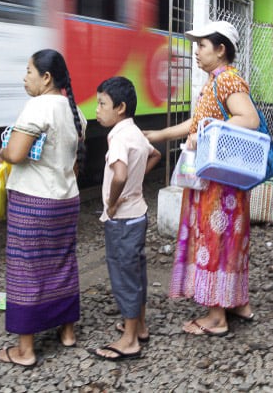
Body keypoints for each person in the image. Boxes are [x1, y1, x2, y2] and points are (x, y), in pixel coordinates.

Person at [144, 21, 260, 336]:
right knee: (228, 242)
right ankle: (237, 303)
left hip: (219, 185)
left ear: (221, 49)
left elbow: (248, 119)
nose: (196, 52)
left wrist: (208, 130)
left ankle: (216, 318)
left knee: (215, 240)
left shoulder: (227, 80)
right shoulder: (215, 81)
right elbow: (195, 124)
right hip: (219, 181)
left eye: (202, 46)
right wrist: (159, 134)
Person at [0, 49, 86, 368]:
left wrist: (2, 154)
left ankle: (25, 350)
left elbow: (18, 153)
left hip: (33, 200)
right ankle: (67, 332)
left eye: (29, 71)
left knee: (26, 269)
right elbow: (73, 163)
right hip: (65, 200)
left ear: (46, 78)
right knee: (62, 263)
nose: (25, 77)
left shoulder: (37, 106)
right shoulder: (75, 112)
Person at [92, 76, 161, 361]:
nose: (97, 109)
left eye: (102, 104)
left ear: (120, 108)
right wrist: (136, 181)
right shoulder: (135, 133)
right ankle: (140, 326)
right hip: (138, 215)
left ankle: (129, 339)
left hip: (121, 220)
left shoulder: (119, 137)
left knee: (123, 278)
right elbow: (154, 154)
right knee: (136, 274)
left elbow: (119, 174)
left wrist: (111, 202)